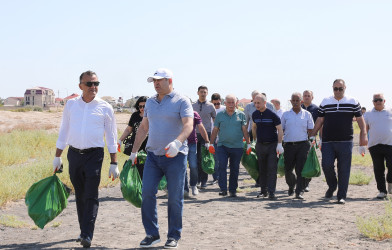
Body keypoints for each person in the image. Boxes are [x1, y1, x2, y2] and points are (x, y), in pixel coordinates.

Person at [52, 70, 119, 248]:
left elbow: (111, 136)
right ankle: (83, 231)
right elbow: (64, 131)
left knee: (91, 194)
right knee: (80, 195)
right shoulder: (71, 105)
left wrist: (114, 162)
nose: (93, 87)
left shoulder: (106, 107)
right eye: (89, 84)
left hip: (94, 156)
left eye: (96, 83)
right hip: (74, 155)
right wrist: (57, 157)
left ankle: (88, 234)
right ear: (80, 85)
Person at [128, 68, 193, 249]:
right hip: (153, 156)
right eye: (153, 81)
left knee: (174, 197)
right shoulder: (150, 102)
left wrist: (178, 143)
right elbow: (143, 128)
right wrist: (134, 152)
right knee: (147, 193)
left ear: (169, 80)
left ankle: (173, 236)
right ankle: (152, 234)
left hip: (175, 156)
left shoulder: (182, 100)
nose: (156, 84)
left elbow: (189, 125)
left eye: (159, 80)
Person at [310, 79, 367, 204]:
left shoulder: (352, 101)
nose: (338, 91)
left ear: (345, 88)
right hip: (328, 141)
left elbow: (360, 120)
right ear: (332, 88)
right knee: (326, 165)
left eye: (340, 88)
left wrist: (363, 135)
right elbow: (320, 120)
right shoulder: (325, 101)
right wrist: (312, 135)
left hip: (346, 141)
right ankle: (332, 185)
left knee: (344, 169)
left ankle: (341, 195)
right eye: (335, 88)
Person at [209, 94, 251, 197]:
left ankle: (233, 190)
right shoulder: (220, 115)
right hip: (222, 146)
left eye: (233, 102)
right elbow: (215, 130)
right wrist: (210, 143)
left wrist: (249, 144)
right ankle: (223, 189)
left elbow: (244, 130)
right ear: (225, 103)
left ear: (236, 103)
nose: (231, 105)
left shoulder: (241, 115)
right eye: (229, 102)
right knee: (221, 167)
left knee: (234, 168)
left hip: (237, 147)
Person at [281, 93, 314, 199]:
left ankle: (299, 191)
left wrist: (312, 141)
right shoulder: (286, 115)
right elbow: (281, 130)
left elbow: (311, 130)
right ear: (291, 102)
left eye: (297, 100)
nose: (295, 102)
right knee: (288, 169)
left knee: (300, 169)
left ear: (301, 102)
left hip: (303, 145)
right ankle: (291, 185)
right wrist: (279, 144)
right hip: (289, 145)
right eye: (293, 100)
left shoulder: (307, 114)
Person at [252, 94, 284, 200]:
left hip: (272, 145)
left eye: (258, 103)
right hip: (260, 145)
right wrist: (254, 140)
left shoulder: (272, 115)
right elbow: (254, 127)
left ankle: (271, 192)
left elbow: (280, 130)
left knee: (271, 169)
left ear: (264, 103)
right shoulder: (255, 114)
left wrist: (279, 144)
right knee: (262, 169)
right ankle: (263, 191)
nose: (256, 105)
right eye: (255, 103)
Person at [365, 93, 392, 199]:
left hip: (390, 144)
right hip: (374, 145)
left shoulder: (390, 111)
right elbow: (365, 129)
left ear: (384, 101)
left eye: (380, 100)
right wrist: (364, 143)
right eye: (375, 100)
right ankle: (382, 191)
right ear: (373, 102)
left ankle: (390, 181)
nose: (377, 102)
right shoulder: (368, 114)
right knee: (378, 168)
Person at [118, 96, 148, 178]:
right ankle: (137, 190)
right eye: (140, 106)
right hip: (136, 147)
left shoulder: (152, 116)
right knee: (136, 171)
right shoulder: (135, 115)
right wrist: (120, 140)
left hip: (148, 149)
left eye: (144, 106)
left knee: (146, 172)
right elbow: (128, 129)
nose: (142, 108)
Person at [192, 86, 215, 188]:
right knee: (195, 158)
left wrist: (215, 136)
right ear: (197, 93)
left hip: (207, 135)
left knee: (204, 157)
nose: (203, 94)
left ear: (207, 93)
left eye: (205, 92)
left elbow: (216, 121)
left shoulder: (211, 106)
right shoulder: (192, 106)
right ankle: (196, 180)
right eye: (201, 92)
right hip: (194, 134)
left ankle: (204, 181)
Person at [184, 111, 210, 197]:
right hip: (180, 143)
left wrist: (206, 140)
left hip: (192, 143)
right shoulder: (177, 113)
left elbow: (201, 127)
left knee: (193, 165)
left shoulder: (194, 114)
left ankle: (193, 185)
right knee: (182, 166)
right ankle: (185, 189)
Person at [301, 90, 319, 192]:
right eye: (305, 96)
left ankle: (307, 183)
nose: (306, 97)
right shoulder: (298, 108)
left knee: (308, 160)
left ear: (312, 97)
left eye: (308, 96)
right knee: (300, 160)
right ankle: (301, 182)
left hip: (310, 139)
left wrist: (318, 138)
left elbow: (320, 123)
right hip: (299, 138)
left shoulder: (316, 109)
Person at [210, 93, 226, 184]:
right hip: (212, 137)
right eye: (214, 104)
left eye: (218, 103)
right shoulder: (209, 109)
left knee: (222, 159)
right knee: (215, 158)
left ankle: (221, 176)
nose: (216, 105)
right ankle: (216, 177)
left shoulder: (224, 109)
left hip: (223, 137)